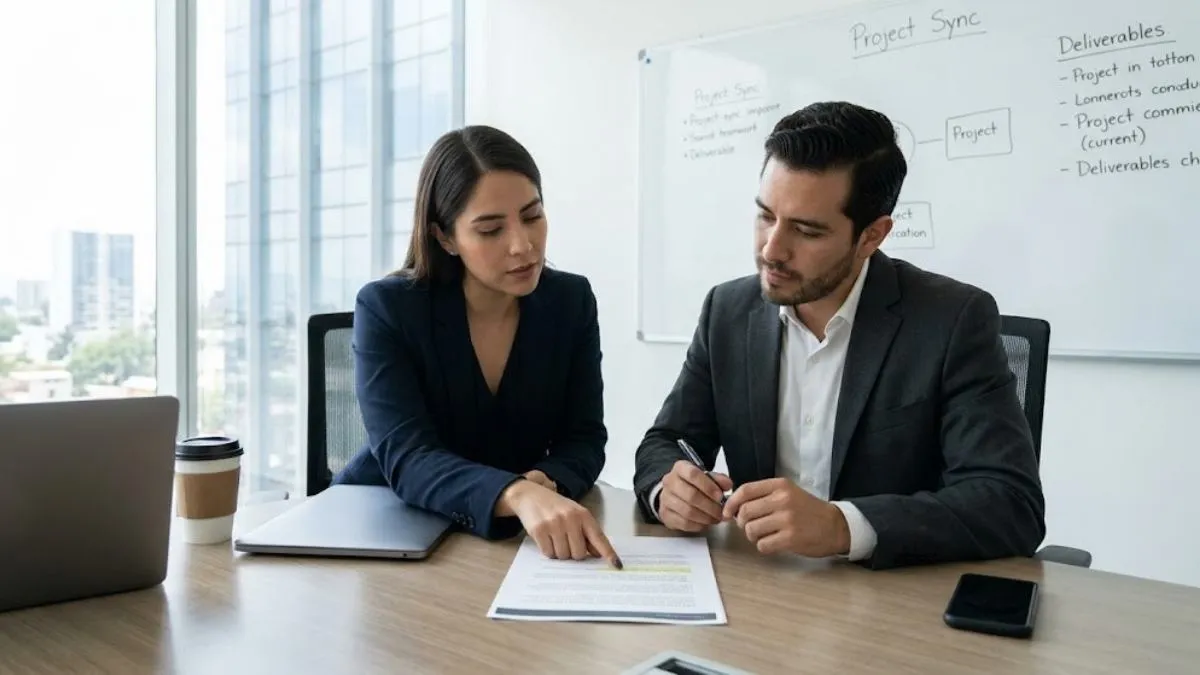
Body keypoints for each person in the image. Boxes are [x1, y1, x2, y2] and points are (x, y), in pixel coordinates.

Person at [633, 101, 1045, 570]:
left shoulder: (952, 320)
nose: (772, 250)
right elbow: (666, 441)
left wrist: (842, 526)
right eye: (766, 216)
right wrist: (669, 489)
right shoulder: (727, 311)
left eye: (806, 231)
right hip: (758, 591)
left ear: (872, 236)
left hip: (889, 604)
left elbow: (1010, 505)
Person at [333, 125, 620, 568]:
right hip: (383, 525)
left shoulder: (570, 301)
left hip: (501, 540)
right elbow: (409, 457)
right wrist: (513, 492)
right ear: (445, 237)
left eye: (532, 216)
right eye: (490, 230)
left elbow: (584, 436)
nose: (523, 246)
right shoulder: (387, 308)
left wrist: (545, 481)